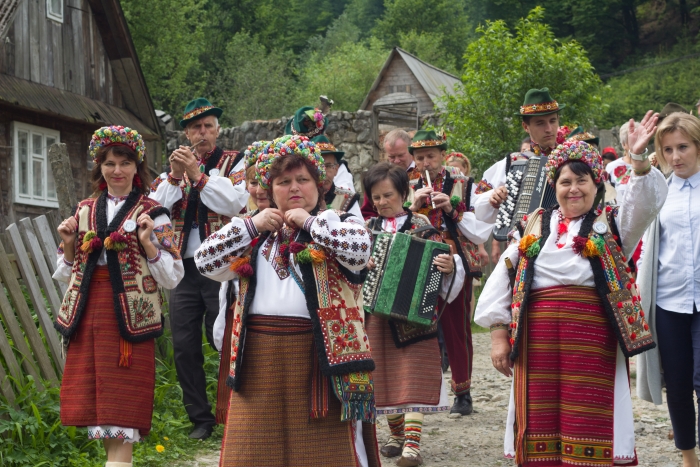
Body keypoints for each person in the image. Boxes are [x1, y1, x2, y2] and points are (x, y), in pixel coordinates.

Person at [475, 113, 667, 465]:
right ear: (554, 186)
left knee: (590, 417)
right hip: (537, 340)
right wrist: (498, 334)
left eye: (582, 181)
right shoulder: (533, 225)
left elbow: (646, 204)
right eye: (565, 181)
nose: (573, 188)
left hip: (593, 341)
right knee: (538, 421)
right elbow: (503, 275)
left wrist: (638, 158)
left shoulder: (611, 223)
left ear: (597, 185)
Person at [194, 135, 379, 467]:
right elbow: (204, 261)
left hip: (319, 360)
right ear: (270, 188)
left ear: (319, 185)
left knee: (324, 455)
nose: (294, 188)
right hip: (258, 360)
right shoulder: (253, 233)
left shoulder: (337, 223)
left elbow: (360, 250)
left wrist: (306, 222)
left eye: (303, 179)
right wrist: (252, 224)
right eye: (283, 181)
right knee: (252, 455)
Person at [54, 126, 184, 467]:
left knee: (122, 409)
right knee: (100, 407)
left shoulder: (156, 213)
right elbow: (66, 271)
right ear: (100, 168)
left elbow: (173, 275)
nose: (117, 171)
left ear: (137, 168)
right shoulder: (83, 210)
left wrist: (148, 244)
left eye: (125, 163)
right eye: (109, 163)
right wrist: (69, 245)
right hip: (88, 316)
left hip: (129, 320)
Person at [149, 98, 249, 440]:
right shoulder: (170, 171)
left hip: (223, 266)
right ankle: (201, 419)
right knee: (185, 344)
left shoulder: (235, 161)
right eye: (195, 128)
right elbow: (154, 208)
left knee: (221, 337)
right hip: (181, 269)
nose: (201, 133)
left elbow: (235, 202)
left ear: (217, 130)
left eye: (208, 126)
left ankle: (235, 411)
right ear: (186, 132)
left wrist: (197, 174)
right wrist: (177, 176)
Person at [363, 162, 465, 467]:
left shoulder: (422, 225)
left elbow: (444, 262)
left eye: (388, 195)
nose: (382, 202)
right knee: (383, 376)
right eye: (376, 197)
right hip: (376, 318)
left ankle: (412, 445)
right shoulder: (364, 231)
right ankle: (395, 435)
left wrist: (450, 265)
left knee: (413, 377)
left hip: (415, 318)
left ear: (404, 193)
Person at [407, 130, 492, 415]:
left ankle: (463, 392)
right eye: (420, 158)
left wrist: (451, 210)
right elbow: (397, 220)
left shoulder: (464, 182)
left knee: (457, 328)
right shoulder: (406, 183)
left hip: (454, 258)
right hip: (419, 258)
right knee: (417, 326)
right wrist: (413, 205)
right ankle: (418, 393)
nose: (426, 162)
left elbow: (480, 222)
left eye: (431, 156)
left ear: (443, 154)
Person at [637, 112, 700, 467]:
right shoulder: (659, 191)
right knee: (676, 382)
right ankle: (688, 456)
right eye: (668, 149)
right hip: (669, 301)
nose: (676, 156)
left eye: (683, 147)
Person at [475, 88, 566, 267]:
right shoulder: (514, 162)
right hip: (523, 249)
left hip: (565, 244)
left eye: (553, 121)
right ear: (526, 126)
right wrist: (493, 197)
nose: (549, 129)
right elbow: (476, 203)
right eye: (540, 123)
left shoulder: (571, 157)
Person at [361, 129, 416, 219]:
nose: (397, 161)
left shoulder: (424, 174)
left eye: (401, 155)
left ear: (411, 151)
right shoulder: (378, 178)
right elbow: (367, 213)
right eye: (392, 157)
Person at [312, 134, 363, 219]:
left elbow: (359, 229)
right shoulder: (301, 197)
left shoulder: (348, 199)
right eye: (317, 166)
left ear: (336, 169)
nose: (323, 173)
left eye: (328, 166)